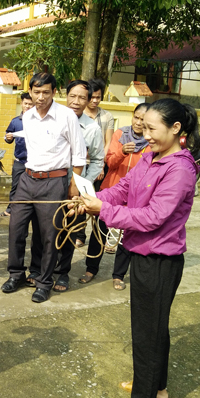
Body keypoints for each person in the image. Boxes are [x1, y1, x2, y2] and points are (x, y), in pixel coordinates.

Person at [78, 98, 200, 398]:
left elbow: (153, 217)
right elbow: (124, 189)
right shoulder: (152, 156)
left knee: (147, 331)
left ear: (176, 128)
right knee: (155, 327)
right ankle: (155, 387)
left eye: (152, 128)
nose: (145, 134)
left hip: (160, 259)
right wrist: (94, 199)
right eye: (143, 128)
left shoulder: (180, 169)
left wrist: (103, 211)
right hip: (144, 254)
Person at [0, 72, 86, 303]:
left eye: (45, 92)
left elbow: (79, 155)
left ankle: (44, 282)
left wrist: (73, 188)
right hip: (27, 180)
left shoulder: (67, 116)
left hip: (54, 182)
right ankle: (16, 274)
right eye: (36, 92)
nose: (40, 97)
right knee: (16, 229)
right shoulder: (27, 117)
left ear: (54, 92)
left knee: (50, 235)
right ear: (30, 92)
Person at [80, 102, 151, 289]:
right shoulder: (120, 134)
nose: (138, 123)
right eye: (136, 117)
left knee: (126, 236)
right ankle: (90, 269)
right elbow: (109, 162)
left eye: (143, 120)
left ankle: (118, 275)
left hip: (134, 197)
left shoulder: (151, 142)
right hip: (111, 191)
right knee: (98, 233)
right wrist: (121, 152)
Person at [50, 79, 104, 292]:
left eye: (82, 97)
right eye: (72, 96)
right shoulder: (54, 119)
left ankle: (62, 273)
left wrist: (83, 184)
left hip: (74, 187)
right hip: (50, 182)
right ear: (65, 95)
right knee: (47, 229)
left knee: (69, 230)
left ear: (89, 100)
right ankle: (41, 269)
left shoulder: (92, 129)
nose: (76, 101)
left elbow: (98, 160)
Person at [0, 92, 34, 217]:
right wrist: (8, 138)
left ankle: (31, 210)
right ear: (21, 104)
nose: (28, 106)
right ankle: (10, 209)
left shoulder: (38, 121)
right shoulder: (16, 122)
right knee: (16, 186)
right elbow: (7, 137)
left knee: (33, 187)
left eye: (31, 104)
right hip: (20, 160)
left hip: (35, 161)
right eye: (26, 104)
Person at [85, 78, 115, 186]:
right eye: (92, 97)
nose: (95, 100)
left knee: (94, 198)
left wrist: (100, 166)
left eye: (98, 97)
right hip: (79, 164)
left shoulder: (107, 116)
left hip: (99, 164)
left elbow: (109, 142)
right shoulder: (78, 115)